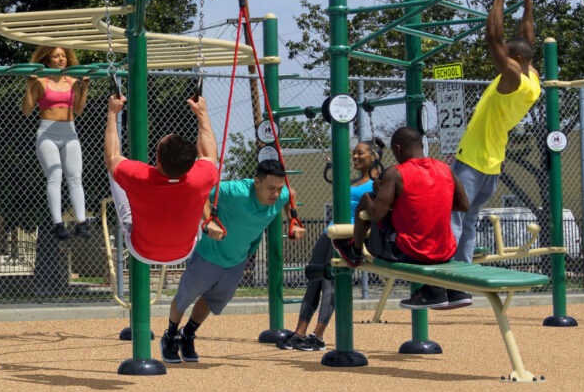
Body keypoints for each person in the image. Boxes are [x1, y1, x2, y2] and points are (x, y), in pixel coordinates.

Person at [444, 0, 540, 308]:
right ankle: (461, 284)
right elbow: (524, 37)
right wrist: (528, 2)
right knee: (467, 221)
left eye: (506, 57)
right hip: (493, 162)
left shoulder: (511, 78)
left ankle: (443, 281)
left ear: (513, 60)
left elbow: (493, 36)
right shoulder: (531, 77)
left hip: (473, 159)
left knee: (452, 218)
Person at [160, 159, 298, 364]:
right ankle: (170, 336)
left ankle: (188, 334)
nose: (275, 194)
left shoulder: (281, 195)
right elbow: (201, 193)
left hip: (237, 259)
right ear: (256, 182)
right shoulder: (236, 191)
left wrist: (293, 220)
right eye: (270, 188)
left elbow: (291, 195)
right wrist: (209, 220)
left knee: (213, 299)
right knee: (186, 297)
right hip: (209, 254)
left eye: (278, 188)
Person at [333, 126, 470, 309]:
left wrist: (374, 197)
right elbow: (464, 205)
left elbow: (376, 214)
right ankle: (438, 291)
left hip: (409, 253)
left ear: (398, 148)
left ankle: (354, 251)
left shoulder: (396, 173)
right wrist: (431, 200)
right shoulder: (445, 169)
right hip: (444, 251)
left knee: (367, 199)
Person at [281, 140, 379, 353]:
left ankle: (318, 335)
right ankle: (299, 333)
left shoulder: (377, 184)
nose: (354, 156)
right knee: (314, 278)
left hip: (347, 233)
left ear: (374, 156)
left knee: (329, 283)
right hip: (329, 231)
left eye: (360, 153)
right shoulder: (351, 181)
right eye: (353, 153)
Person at [104, 92, 218, 265]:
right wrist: (202, 113)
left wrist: (113, 113)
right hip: (183, 252)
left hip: (141, 251)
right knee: (197, 187)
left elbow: (112, 156)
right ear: (190, 164)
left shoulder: (139, 175)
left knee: (114, 170)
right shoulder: (200, 175)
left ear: (157, 160)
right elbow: (209, 154)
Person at [21, 45, 90, 240]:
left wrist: (85, 89)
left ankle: (81, 222)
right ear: (47, 60)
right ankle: (58, 223)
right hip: (47, 132)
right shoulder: (40, 81)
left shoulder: (72, 81)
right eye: (56, 56)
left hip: (69, 132)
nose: (60, 59)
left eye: (63, 56)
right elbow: (26, 111)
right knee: (55, 175)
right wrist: (29, 86)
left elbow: (78, 111)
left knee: (75, 176)